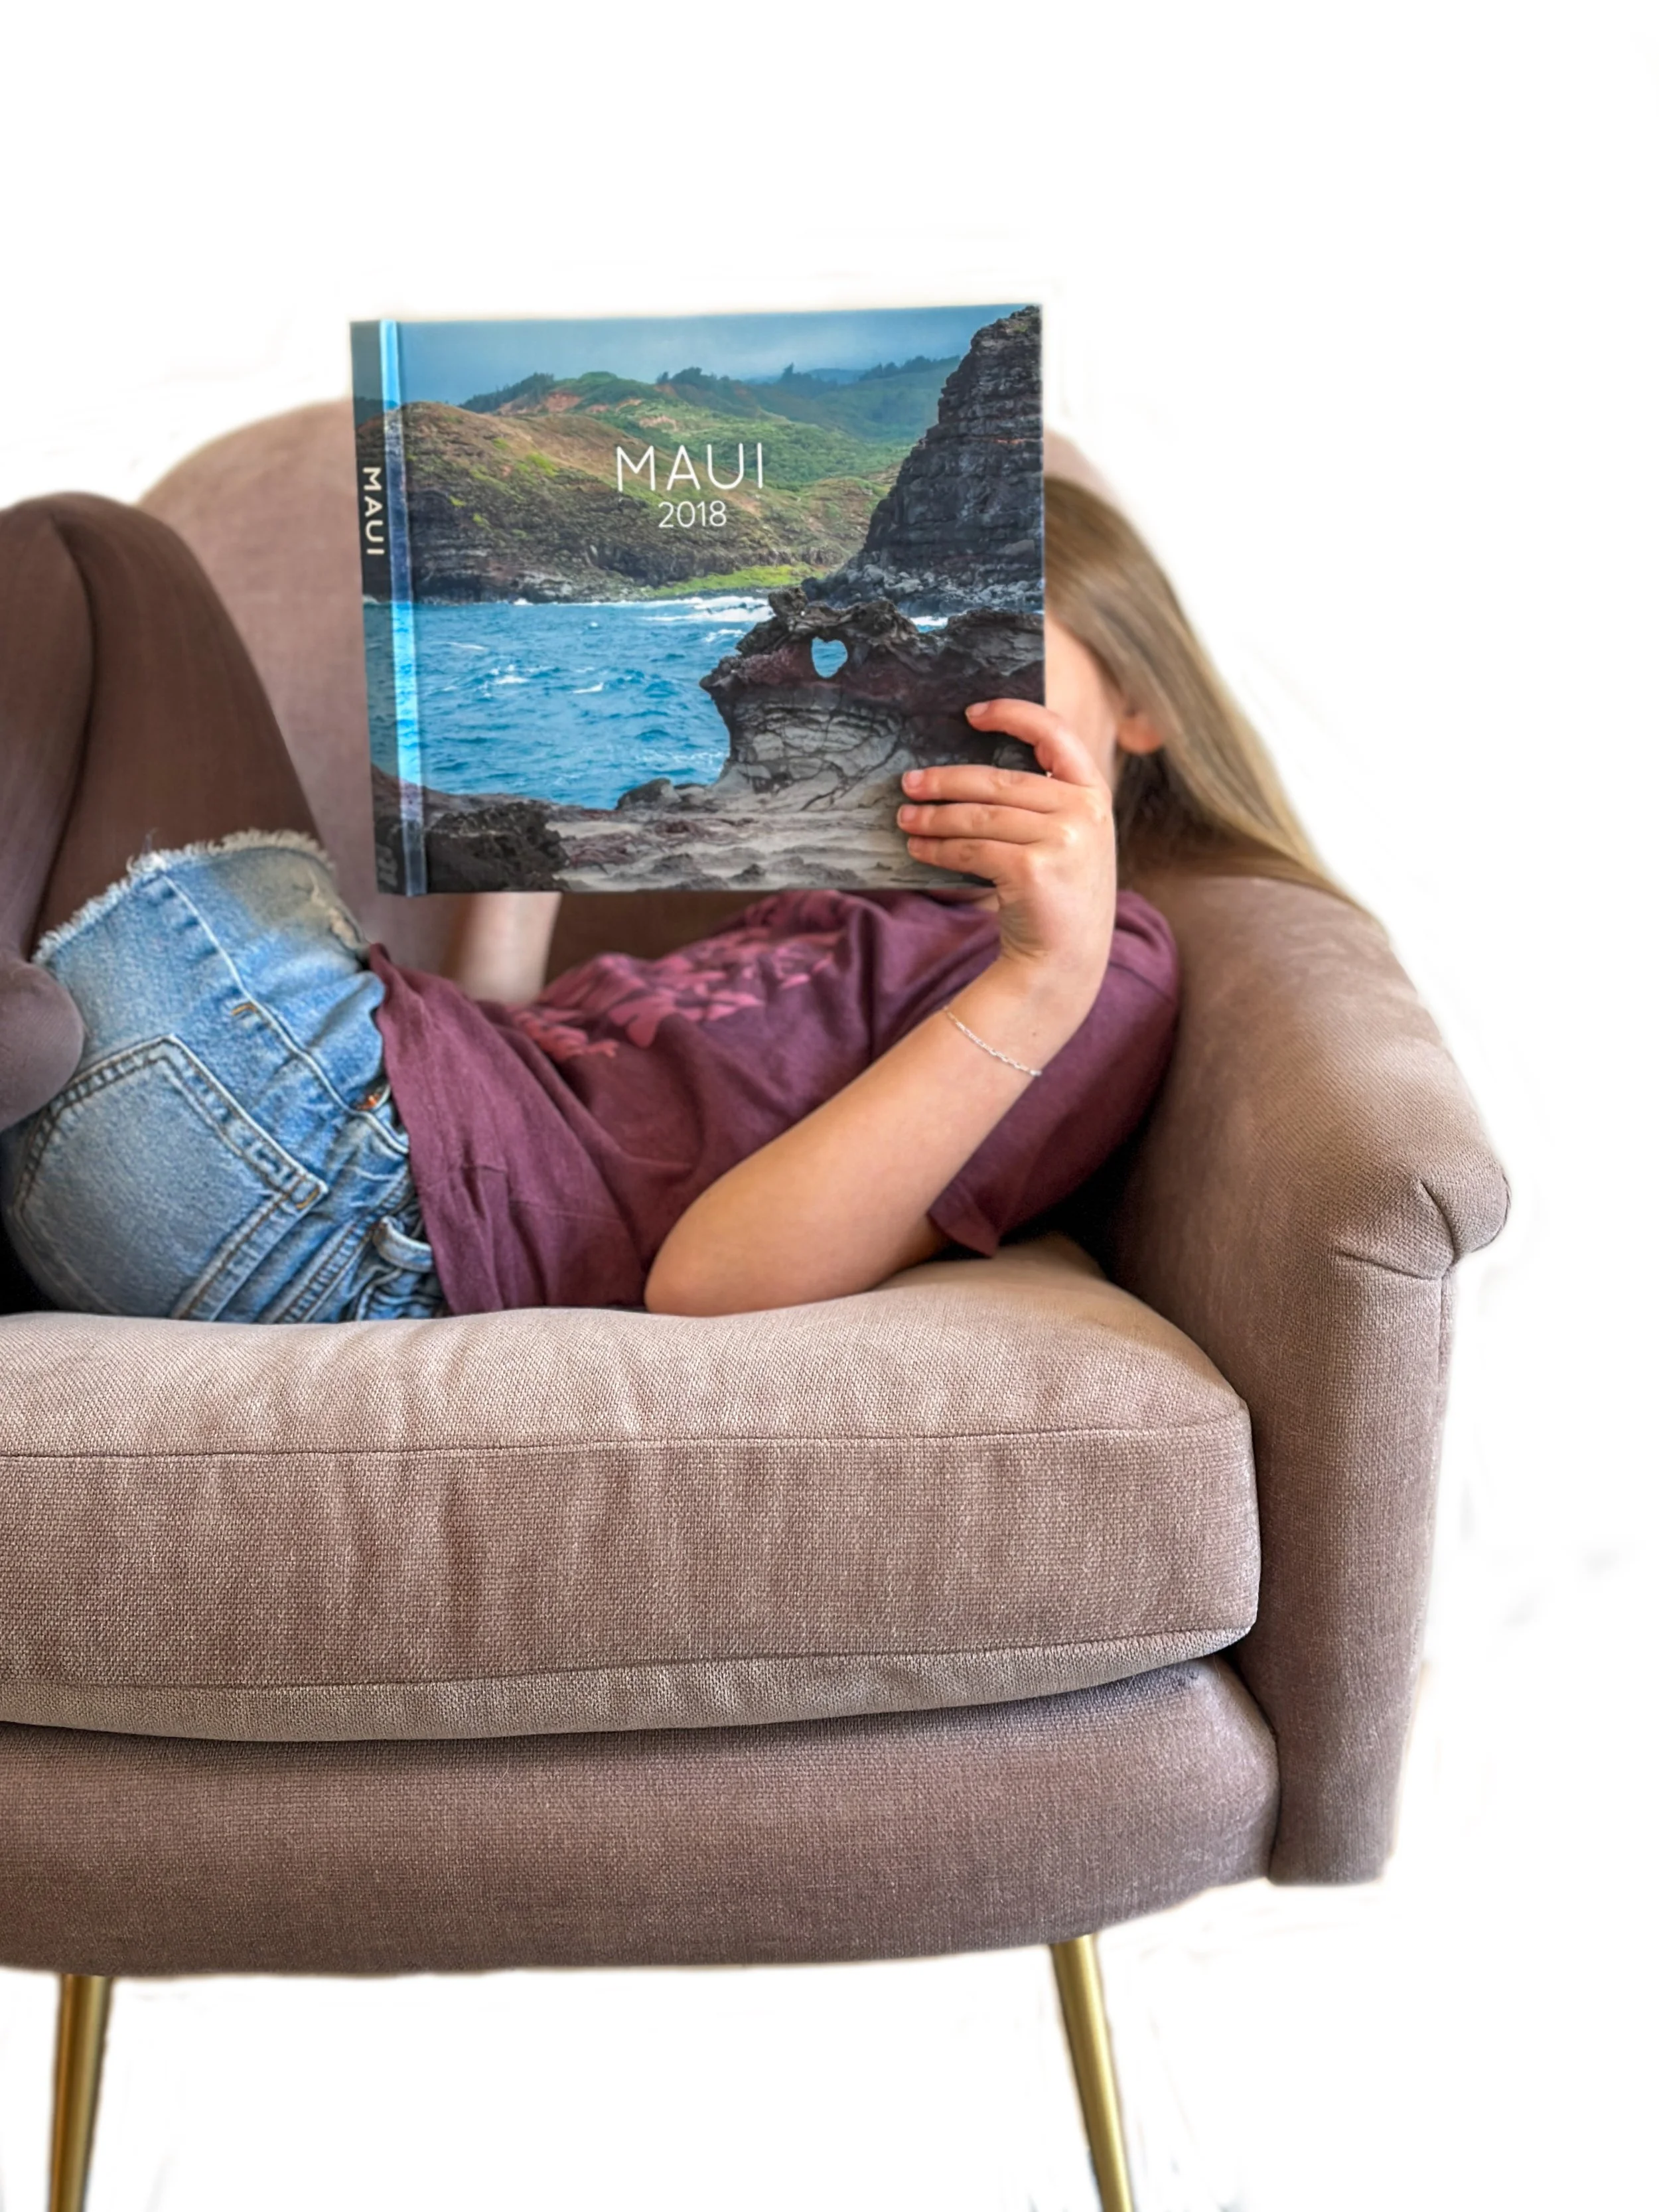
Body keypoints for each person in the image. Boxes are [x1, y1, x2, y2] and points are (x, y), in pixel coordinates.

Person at [0, 475, 1331, 1322]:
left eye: (995, 644)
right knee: (77, 559)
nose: (933, 686)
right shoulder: (845, 888)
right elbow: (533, 1089)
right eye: (898, 643)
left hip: (331, 1190)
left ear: (1141, 704)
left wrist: (1044, 971)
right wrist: (533, 841)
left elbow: (706, 1278)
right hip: (330, 1126)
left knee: (95, 552)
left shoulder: (1096, 971)